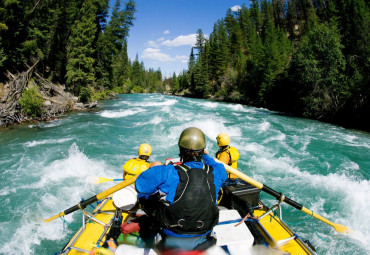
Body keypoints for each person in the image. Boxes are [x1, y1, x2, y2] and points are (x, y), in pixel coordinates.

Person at [132, 127, 227, 251]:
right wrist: (205, 156)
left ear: (181, 150)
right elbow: (217, 165)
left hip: (171, 232)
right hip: (204, 231)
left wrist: (155, 167)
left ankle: (153, 230)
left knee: (145, 196)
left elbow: (140, 185)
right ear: (203, 150)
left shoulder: (167, 172)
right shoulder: (218, 172)